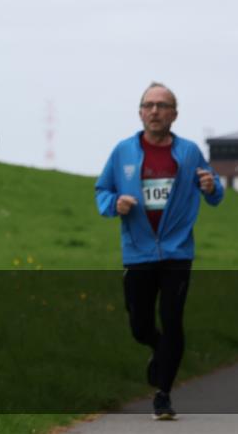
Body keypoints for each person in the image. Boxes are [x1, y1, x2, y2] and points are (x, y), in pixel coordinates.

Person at [95, 82, 224, 421]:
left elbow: (215, 192)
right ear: (140, 112)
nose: (155, 111)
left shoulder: (189, 152)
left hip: (177, 252)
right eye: (149, 105)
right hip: (137, 252)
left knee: (172, 319)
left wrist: (211, 186)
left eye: (163, 105)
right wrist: (115, 204)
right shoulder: (123, 151)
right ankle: (159, 350)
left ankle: (163, 394)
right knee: (139, 326)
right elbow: (102, 191)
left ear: (174, 114)